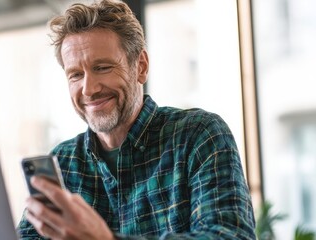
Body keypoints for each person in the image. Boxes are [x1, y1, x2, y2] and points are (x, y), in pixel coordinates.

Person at [16, 0, 256, 239]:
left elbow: (230, 235)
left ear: (140, 66)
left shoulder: (198, 135)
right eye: (76, 75)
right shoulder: (63, 162)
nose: (88, 89)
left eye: (102, 67)